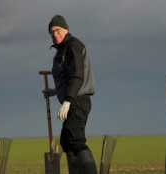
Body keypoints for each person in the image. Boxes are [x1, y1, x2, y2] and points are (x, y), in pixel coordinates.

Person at [42, 15, 97, 174]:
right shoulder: (62, 50)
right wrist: (54, 91)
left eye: (57, 30)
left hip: (78, 101)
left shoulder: (73, 46)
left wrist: (67, 102)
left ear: (66, 29)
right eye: (51, 32)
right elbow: (67, 78)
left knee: (76, 140)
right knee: (66, 142)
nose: (55, 34)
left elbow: (77, 77)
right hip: (72, 99)